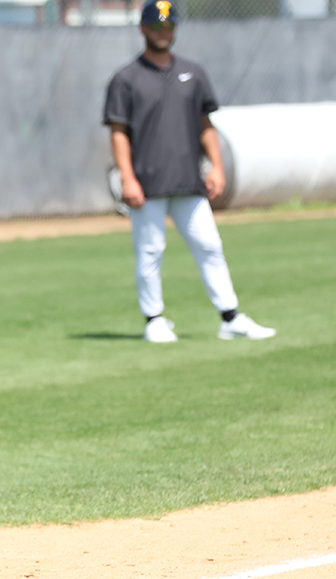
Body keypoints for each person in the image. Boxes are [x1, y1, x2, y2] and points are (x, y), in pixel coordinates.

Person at [102, 2, 276, 343]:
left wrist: (217, 167)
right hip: (147, 181)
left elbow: (205, 125)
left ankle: (230, 318)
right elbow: (118, 131)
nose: (163, 32)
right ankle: (154, 319)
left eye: (168, 26)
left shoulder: (193, 73)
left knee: (210, 245)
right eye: (156, 26)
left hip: (188, 180)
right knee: (151, 250)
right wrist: (127, 177)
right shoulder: (126, 79)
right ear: (143, 29)